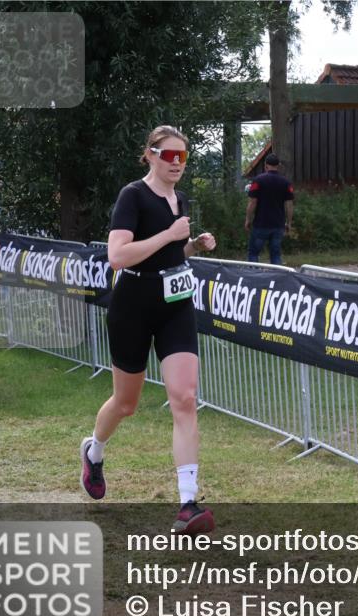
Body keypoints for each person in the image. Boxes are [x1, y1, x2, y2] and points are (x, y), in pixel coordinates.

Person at [80, 126, 217, 535]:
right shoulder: (132, 196)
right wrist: (171, 235)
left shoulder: (182, 200)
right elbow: (117, 256)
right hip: (133, 306)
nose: (177, 164)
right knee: (126, 403)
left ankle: (187, 503)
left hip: (175, 305)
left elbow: (170, 252)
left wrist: (193, 246)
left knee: (185, 397)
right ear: (151, 155)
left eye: (183, 157)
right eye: (169, 156)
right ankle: (94, 450)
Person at [245, 153, 294, 264]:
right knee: (275, 255)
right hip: (278, 225)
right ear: (278, 165)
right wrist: (289, 223)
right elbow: (289, 205)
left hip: (261, 224)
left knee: (253, 253)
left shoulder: (257, 181)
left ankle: (253, 278)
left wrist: (248, 219)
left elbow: (252, 202)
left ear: (266, 165)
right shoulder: (286, 183)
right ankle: (276, 279)